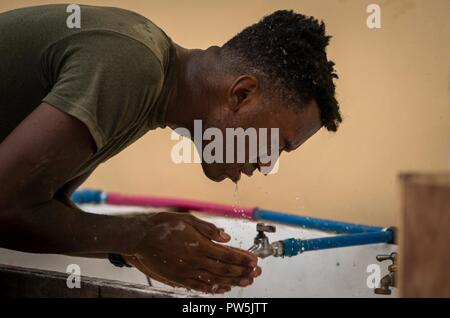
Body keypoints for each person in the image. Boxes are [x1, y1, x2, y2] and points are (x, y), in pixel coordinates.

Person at [0, 4, 341, 293]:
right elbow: (5, 205)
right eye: (277, 144)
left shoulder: (150, 89)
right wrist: (141, 235)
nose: (267, 164)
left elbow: (40, 205)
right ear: (242, 94)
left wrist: (137, 248)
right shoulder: (134, 65)